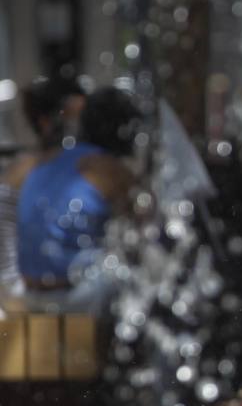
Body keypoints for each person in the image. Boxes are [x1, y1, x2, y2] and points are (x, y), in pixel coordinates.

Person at [17, 86, 140, 314]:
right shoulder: (110, 169)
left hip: (28, 291)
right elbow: (143, 228)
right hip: (73, 297)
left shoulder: (50, 160)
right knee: (138, 270)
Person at [1, 77, 86, 303]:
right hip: (31, 305)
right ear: (46, 122)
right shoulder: (20, 176)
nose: (83, 128)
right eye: (74, 118)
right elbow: (5, 264)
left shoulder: (94, 168)